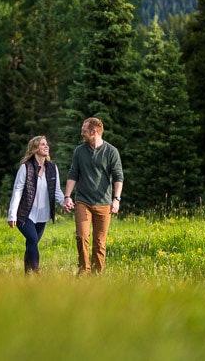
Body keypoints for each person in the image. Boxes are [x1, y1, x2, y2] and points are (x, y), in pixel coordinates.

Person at [62, 117, 123, 275]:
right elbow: (73, 173)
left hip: (104, 203)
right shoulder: (79, 151)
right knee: (82, 236)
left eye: (84, 130)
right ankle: (84, 269)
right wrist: (67, 196)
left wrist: (116, 199)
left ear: (94, 132)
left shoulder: (111, 152)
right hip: (83, 201)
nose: (81, 132)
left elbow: (118, 177)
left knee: (99, 242)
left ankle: (96, 275)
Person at [7, 135, 67, 275]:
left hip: (43, 215)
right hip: (25, 214)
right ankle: (36, 271)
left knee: (31, 243)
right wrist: (12, 215)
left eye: (47, 144)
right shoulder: (26, 168)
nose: (46, 146)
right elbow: (17, 191)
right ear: (34, 149)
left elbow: (56, 190)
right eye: (42, 144)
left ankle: (27, 277)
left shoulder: (52, 168)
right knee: (32, 239)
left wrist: (65, 201)